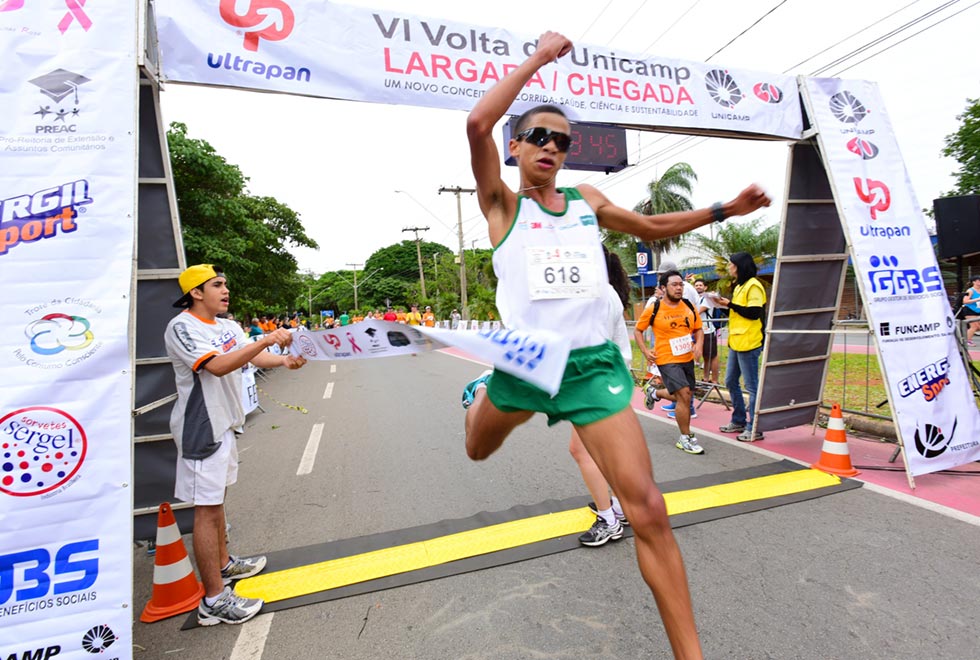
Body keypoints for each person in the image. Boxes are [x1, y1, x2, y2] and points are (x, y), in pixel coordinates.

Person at [461, 30, 770, 658]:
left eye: (562, 141)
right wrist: (541, 58)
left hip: (591, 367)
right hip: (525, 364)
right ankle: (480, 396)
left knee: (650, 509)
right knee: (476, 449)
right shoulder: (500, 205)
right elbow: (476, 121)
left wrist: (725, 210)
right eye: (539, 137)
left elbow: (653, 226)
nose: (551, 147)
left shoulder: (586, 201)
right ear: (515, 147)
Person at [165, 264, 307, 625]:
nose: (225, 290)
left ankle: (225, 564)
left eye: (225, 284)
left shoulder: (227, 326)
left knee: (218, 502)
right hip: (203, 428)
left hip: (226, 423)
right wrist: (264, 340)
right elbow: (216, 366)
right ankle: (213, 600)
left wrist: (285, 360)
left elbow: (254, 356)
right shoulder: (183, 327)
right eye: (217, 285)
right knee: (206, 509)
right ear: (196, 293)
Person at [569, 247, 632, 546]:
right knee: (606, 450)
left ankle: (608, 519)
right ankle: (619, 506)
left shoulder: (594, 296)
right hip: (611, 380)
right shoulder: (606, 292)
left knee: (583, 451)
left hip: (595, 382)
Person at [635, 270, 705, 455]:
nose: (679, 288)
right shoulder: (654, 308)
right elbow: (638, 330)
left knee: (686, 396)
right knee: (683, 394)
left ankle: (654, 392)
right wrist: (644, 350)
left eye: (681, 284)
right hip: (666, 358)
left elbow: (698, 329)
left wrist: (699, 345)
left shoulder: (688, 305)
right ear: (663, 288)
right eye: (674, 284)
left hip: (686, 358)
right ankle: (686, 437)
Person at [716, 252, 767, 442]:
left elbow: (754, 313)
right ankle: (738, 420)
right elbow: (738, 310)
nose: (729, 267)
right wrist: (724, 305)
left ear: (739, 265)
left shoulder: (754, 286)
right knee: (730, 381)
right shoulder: (739, 286)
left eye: (731, 264)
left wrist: (731, 305)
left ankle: (755, 427)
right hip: (736, 342)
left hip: (749, 342)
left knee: (752, 386)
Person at [694, 279, 720, 383]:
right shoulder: (698, 299)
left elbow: (698, 311)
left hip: (708, 331)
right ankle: (705, 379)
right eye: (696, 285)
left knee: (712, 356)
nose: (698, 287)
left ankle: (714, 380)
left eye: (700, 285)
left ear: (705, 287)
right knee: (705, 357)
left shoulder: (707, 299)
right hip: (700, 331)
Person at [961, 275, 980, 346]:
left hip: (978, 310)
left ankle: (964, 335)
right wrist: (977, 299)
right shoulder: (970, 290)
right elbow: (965, 301)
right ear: (974, 282)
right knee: (974, 326)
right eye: (978, 281)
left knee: (978, 327)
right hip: (969, 310)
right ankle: (968, 341)